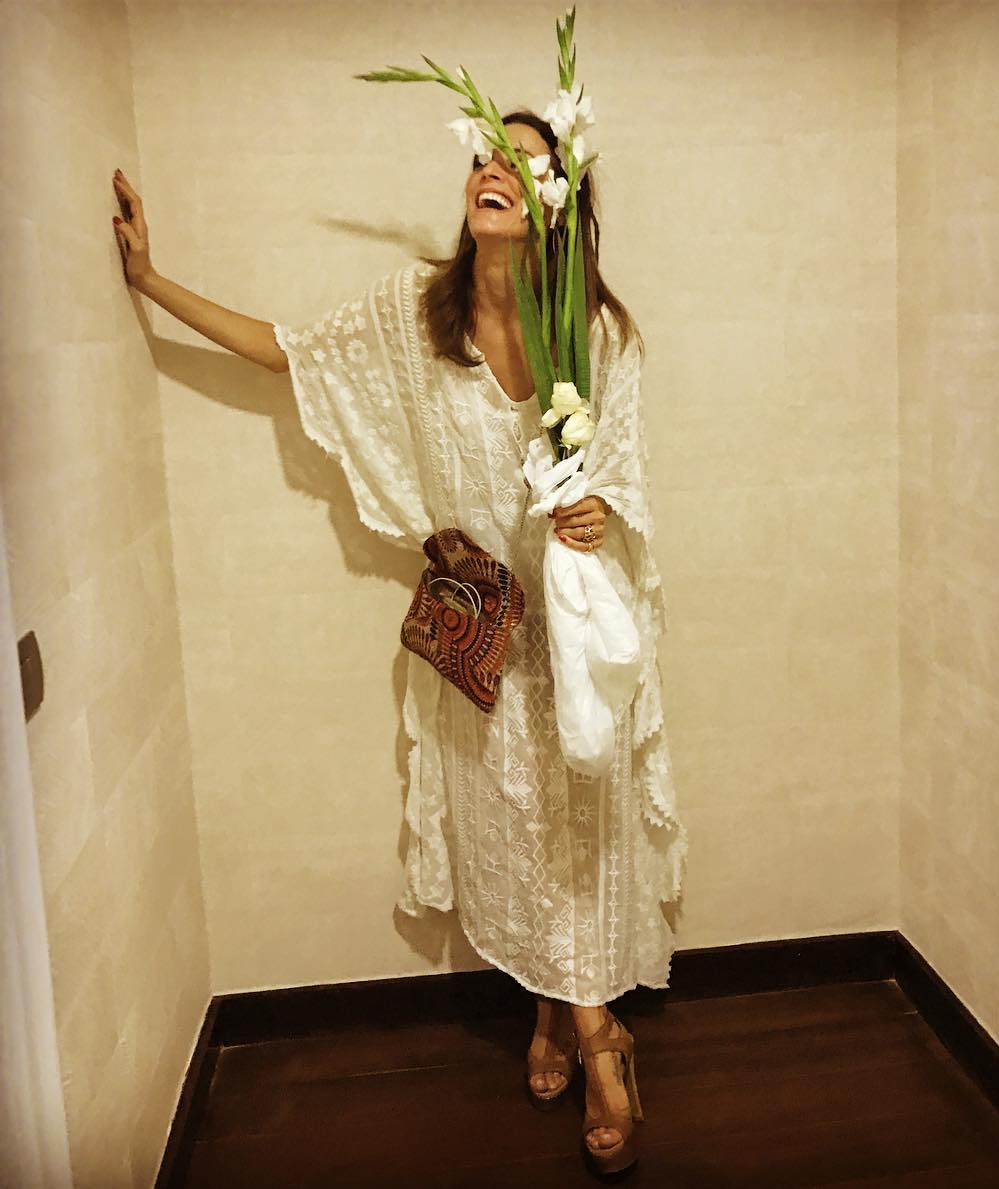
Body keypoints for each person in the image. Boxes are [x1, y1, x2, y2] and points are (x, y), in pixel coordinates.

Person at [111, 109, 687, 1177]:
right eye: (481, 155)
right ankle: (575, 1019)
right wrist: (149, 281)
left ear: (556, 203)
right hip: (486, 632)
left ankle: (586, 1031)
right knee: (521, 834)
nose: (490, 170)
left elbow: (622, 468)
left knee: (582, 835)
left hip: (578, 636)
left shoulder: (596, 332)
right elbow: (287, 351)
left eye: (520, 161)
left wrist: (596, 509)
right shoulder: (415, 315)